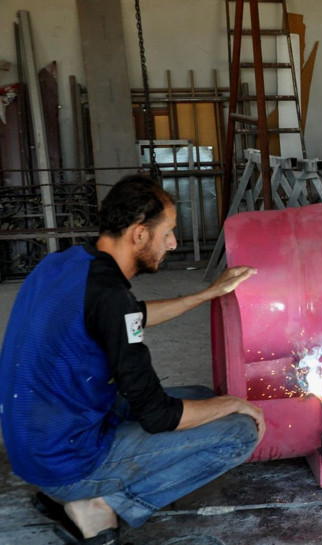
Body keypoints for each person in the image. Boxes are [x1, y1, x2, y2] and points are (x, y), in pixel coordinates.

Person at [0, 175, 265, 544]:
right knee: (239, 429)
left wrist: (207, 294)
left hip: (35, 438)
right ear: (139, 234)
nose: (172, 243)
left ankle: (80, 495)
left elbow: (129, 316)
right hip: (64, 460)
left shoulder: (66, 263)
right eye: (167, 232)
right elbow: (158, 415)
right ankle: (95, 503)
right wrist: (237, 403)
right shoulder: (110, 296)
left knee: (205, 396)